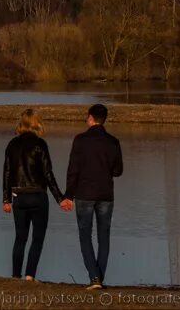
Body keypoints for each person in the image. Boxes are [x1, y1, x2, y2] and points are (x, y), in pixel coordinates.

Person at [2, 108, 71, 281]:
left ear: (21, 123)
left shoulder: (12, 144)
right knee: (37, 239)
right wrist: (60, 198)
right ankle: (30, 276)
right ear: (36, 123)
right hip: (38, 196)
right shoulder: (40, 144)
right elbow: (48, 174)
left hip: (18, 196)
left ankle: (15, 276)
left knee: (20, 238)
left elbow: (7, 174)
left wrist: (6, 199)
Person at [65, 103, 123, 290]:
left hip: (84, 194)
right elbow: (118, 170)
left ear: (90, 117)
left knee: (85, 235)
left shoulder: (80, 140)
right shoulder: (113, 142)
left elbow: (73, 170)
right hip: (106, 194)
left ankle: (95, 277)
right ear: (104, 119)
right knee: (103, 236)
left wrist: (68, 195)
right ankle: (98, 278)